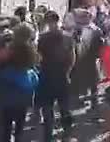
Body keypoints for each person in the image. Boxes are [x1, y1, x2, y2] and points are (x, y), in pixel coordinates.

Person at [35, 10, 75, 142]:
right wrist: (67, 72)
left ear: (47, 22)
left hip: (47, 75)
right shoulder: (68, 38)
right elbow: (72, 58)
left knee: (47, 109)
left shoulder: (43, 38)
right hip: (62, 76)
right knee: (64, 107)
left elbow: (38, 58)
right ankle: (67, 135)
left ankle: (48, 136)